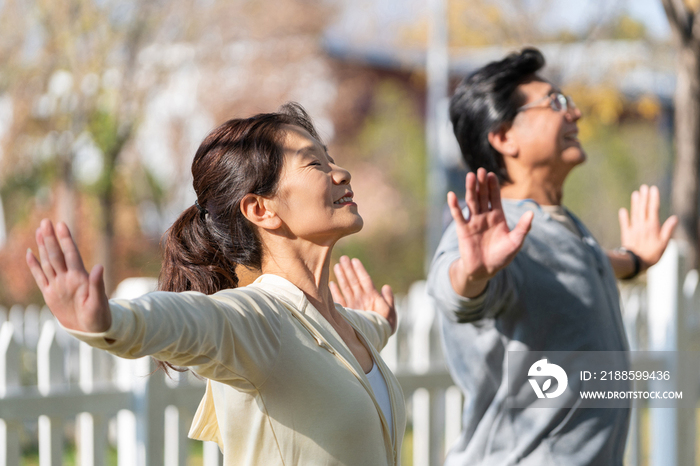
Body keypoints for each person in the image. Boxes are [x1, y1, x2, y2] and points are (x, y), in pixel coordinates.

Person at [26, 103, 406, 466]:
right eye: (315, 163)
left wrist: (381, 321)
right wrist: (109, 322)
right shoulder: (260, 321)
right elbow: (189, 318)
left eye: (331, 158)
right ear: (261, 209)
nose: (341, 173)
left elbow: (352, 339)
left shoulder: (349, 328)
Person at [426, 48, 678, 465]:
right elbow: (454, 290)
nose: (575, 114)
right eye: (556, 102)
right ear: (505, 137)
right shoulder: (496, 234)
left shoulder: (565, 227)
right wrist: (470, 274)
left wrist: (633, 259)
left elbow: (582, 263)